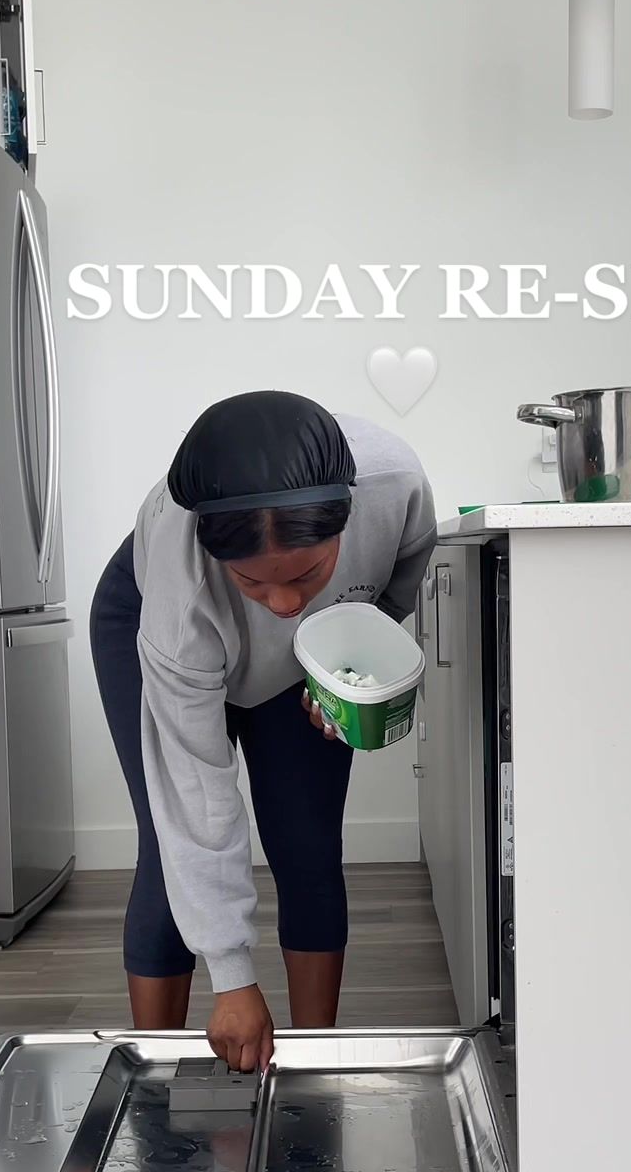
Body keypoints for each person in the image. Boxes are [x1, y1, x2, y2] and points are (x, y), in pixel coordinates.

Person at [89, 391, 436, 1074]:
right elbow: (196, 797)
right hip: (150, 624)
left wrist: (346, 661)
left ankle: (313, 1063)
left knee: (308, 843)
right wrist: (233, 981)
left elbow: (401, 578)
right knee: (168, 846)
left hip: (307, 656)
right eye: (253, 582)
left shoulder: (394, 485)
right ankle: (154, 1073)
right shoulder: (178, 589)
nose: (282, 604)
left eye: (307, 574)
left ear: (347, 519)